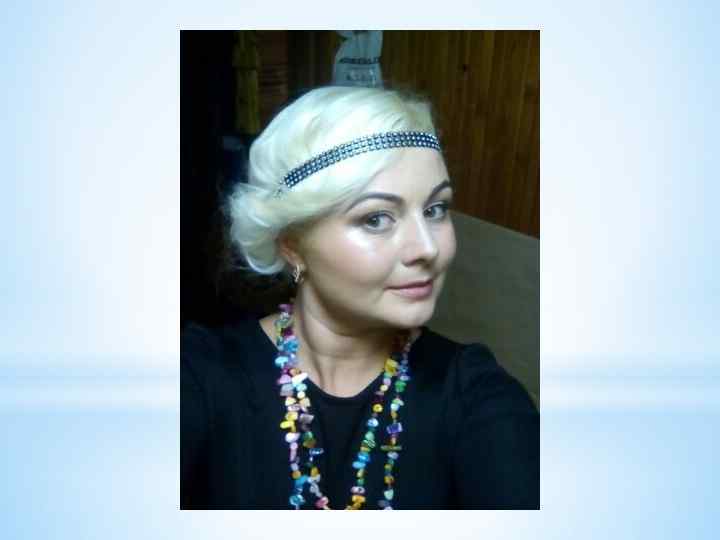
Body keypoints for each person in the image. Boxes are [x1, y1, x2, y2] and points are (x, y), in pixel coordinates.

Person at [181, 85, 539, 510]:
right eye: (376, 218)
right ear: (292, 244)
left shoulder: (473, 394)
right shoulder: (201, 376)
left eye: (436, 209)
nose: (427, 248)